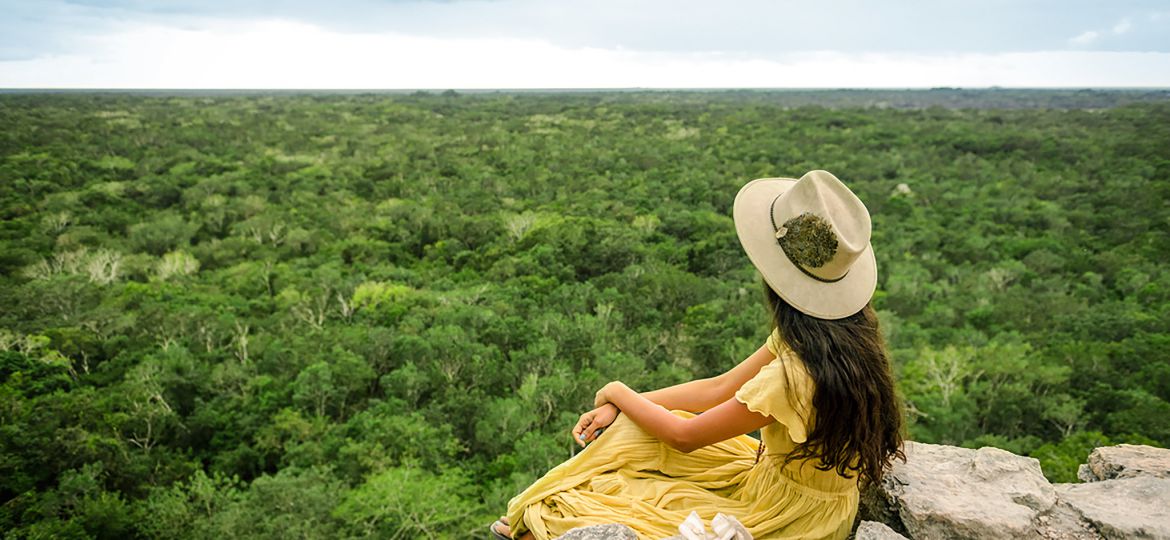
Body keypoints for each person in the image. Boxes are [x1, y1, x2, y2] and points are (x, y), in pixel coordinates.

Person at [490, 170, 905, 540]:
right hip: (794, 485)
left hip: (786, 513)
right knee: (633, 429)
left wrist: (617, 391)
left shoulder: (793, 376)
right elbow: (719, 387)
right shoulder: (841, 335)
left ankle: (539, 525)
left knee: (623, 477)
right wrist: (626, 405)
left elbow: (685, 438)